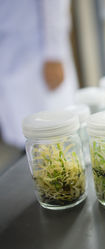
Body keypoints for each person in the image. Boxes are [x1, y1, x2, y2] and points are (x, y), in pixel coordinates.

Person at [0, 0, 78, 148]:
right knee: (25, 139)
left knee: (51, 135)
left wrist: (54, 54)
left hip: (35, 50)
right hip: (8, 47)